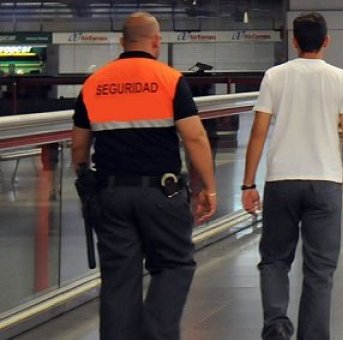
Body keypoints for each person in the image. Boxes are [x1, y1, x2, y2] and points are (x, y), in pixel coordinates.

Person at [71, 12, 217, 340]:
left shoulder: (95, 83)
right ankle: (156, 333)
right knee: (173, 265)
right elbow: (194, 137)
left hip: (110, 194)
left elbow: (79, 146)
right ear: (156, 42)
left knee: (119, 278)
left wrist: (85, 185)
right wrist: (209, 187)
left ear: (122, 42)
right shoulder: (169, 79)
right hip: (161, 193)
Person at [241, 12, 343, 340]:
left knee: (274, 260)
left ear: (293, 41)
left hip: (281, 180)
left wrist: (248, 183)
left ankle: (277, 326)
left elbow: (258, 132)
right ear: (327, 41)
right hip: (324, 181)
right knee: (320, 268)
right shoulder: (340, 79)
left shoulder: (274, 76)